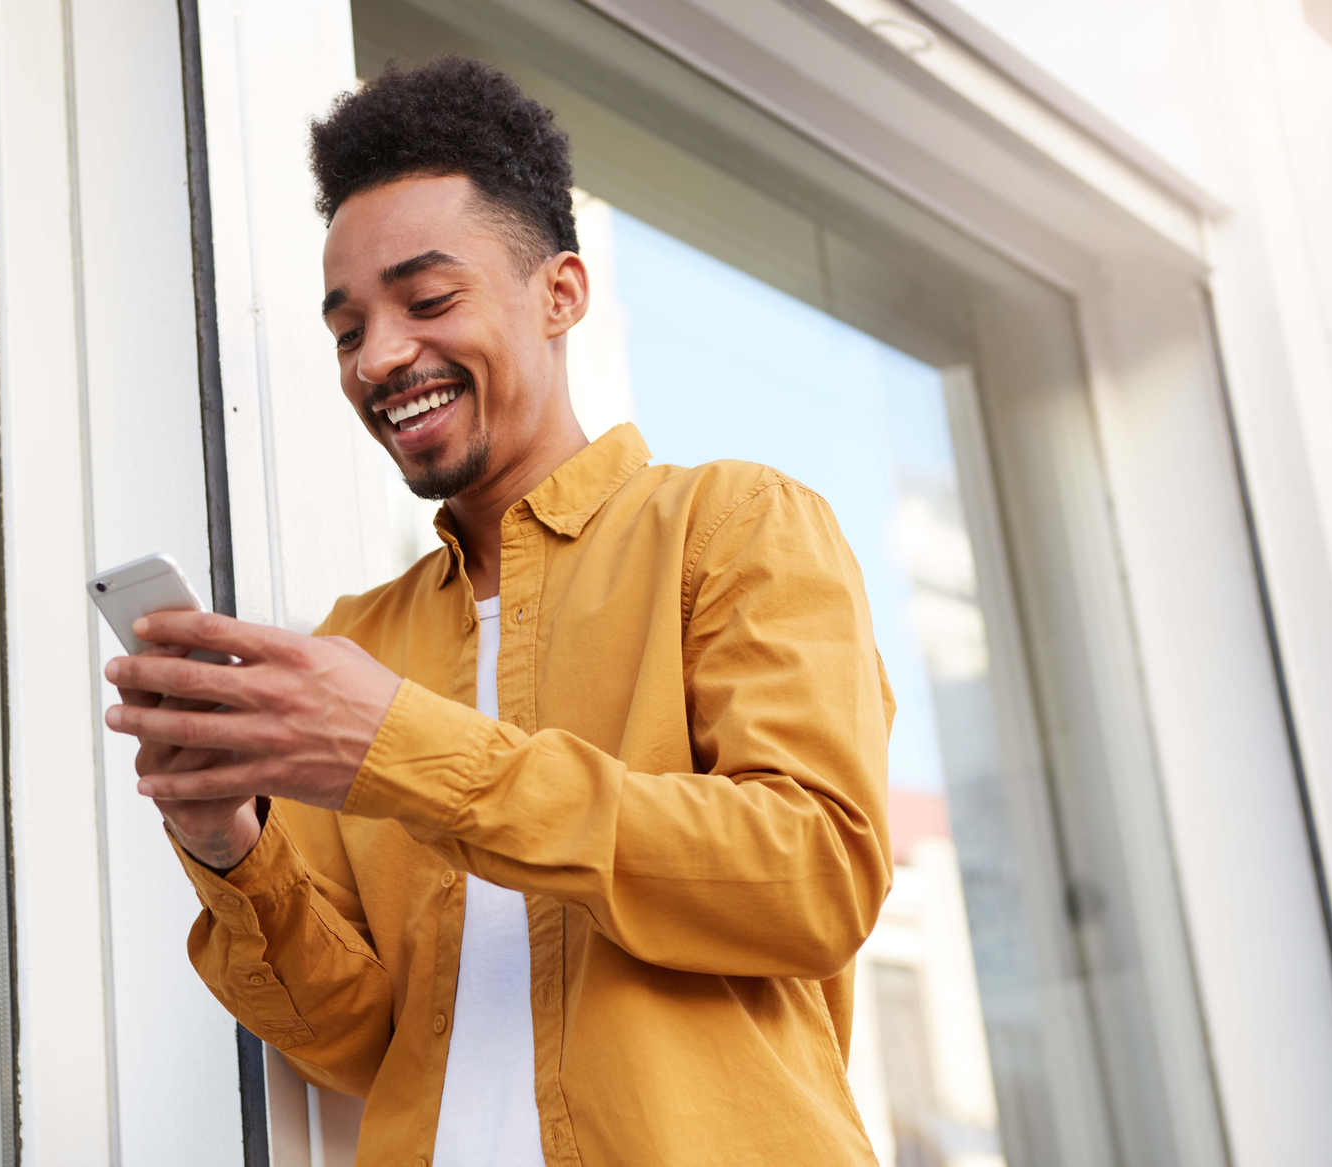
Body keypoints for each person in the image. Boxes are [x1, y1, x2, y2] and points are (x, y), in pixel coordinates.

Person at [104, 57, 894, 1166]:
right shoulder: (356, 645)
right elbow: (342, 1035)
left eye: (428, 301)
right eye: (347, 329)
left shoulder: (731, 526)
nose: (380, 357)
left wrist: (404, 747)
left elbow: (813, 879)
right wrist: (222, 839)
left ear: (560, 293)